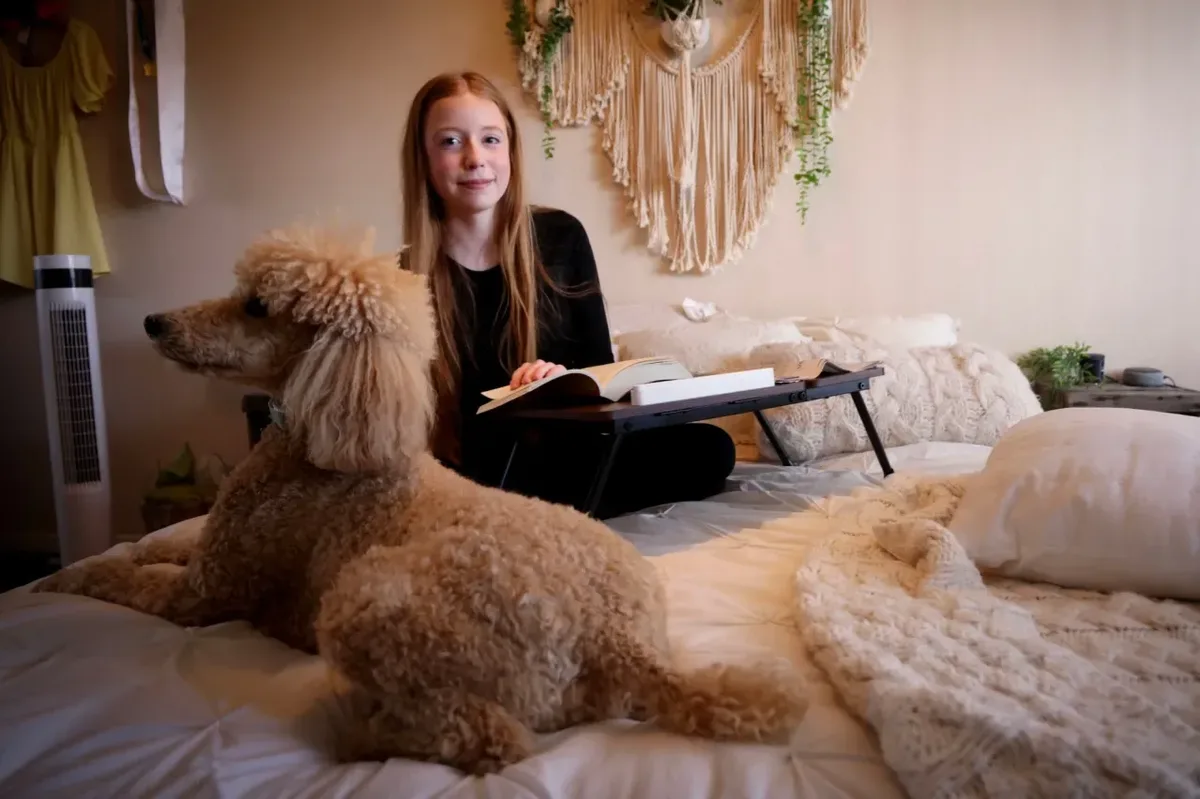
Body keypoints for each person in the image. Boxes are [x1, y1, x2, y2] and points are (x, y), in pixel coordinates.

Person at [399, 71, 735, 518]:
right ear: (423, 158)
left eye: (491, 139)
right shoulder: (403, 277)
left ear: (512, 152)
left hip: (564, 451)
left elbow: (601, 374)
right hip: (469, 465)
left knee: (711, 447)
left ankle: (528, 510)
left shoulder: (560, 237)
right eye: (450, 142)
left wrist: (559, 382)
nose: (475, 158)